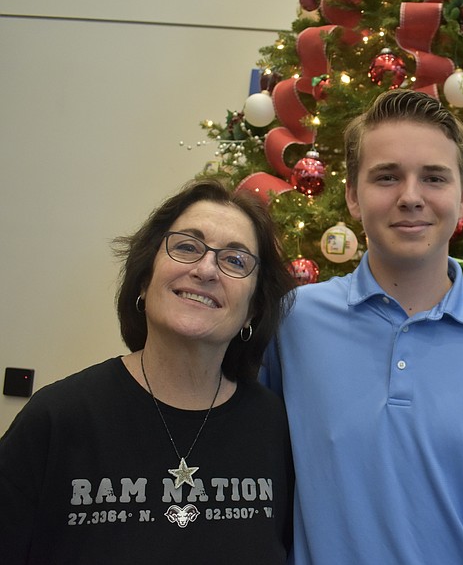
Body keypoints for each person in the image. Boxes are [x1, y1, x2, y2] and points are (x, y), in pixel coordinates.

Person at [260, 89, 463, 563]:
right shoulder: (295, 320)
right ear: (352, 196)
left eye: (434, 178)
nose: (411, 197)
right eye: (387, 177)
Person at [0, 179, 298, 563]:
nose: (206, 269)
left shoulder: (275, 427)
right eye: (187, 247)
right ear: (144, 279)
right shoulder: (58, 418)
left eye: (235, 260)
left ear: (253, 309)